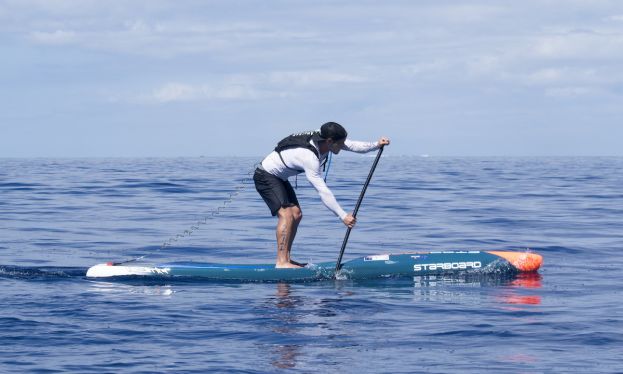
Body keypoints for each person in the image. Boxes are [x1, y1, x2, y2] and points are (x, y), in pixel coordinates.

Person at [253, 122, 390, 268]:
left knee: (297, 214)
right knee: (286, 215)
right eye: (340, 143)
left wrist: (376, 145)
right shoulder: (308, 157)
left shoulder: (326, 138)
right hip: (266, 175)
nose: (343, 146)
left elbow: (352, 145)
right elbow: (322, 191)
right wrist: (342, 215)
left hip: (280, 178)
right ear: (329, 141)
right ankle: (281, 262)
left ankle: (286, 258)